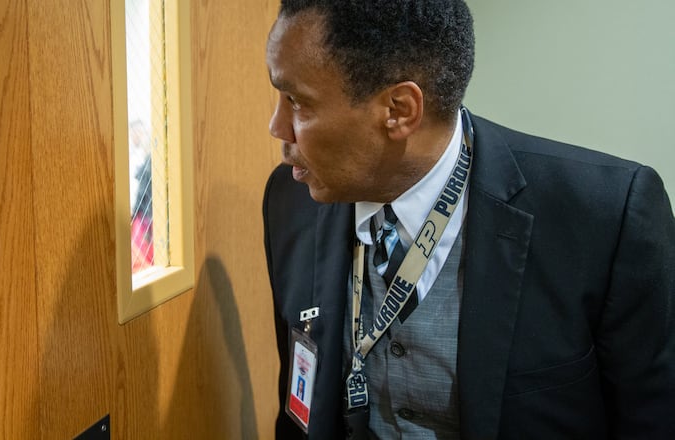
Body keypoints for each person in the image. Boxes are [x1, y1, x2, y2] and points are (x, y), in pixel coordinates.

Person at [261, 1, 675, 439]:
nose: (277, 127)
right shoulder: (290, 201)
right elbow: (299, 403)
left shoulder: (607, 218)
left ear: (399, 110)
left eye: (297, 103)